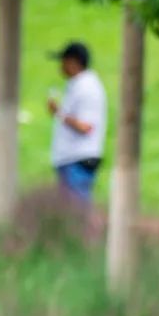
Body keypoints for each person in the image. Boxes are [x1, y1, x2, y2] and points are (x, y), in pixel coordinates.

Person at [47, 41, 107, 208]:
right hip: (74, 159)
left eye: (64, 61)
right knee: (73, 210)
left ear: (74, 62)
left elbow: (85, 126)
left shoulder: (86, 87)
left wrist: (59, 113)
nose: (61, 67)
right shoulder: (80, 85)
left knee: (77, 211)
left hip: (78, 158)